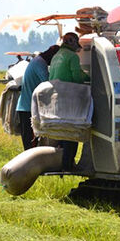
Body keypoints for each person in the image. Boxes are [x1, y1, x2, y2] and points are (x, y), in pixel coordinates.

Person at [49, 32, 90, 170]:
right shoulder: (72, 56)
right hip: (68, 97)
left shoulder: (56, 56)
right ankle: (68, 165)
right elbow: (77, 77)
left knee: (62, 131)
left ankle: (61, 163)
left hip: (55, 98)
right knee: (72, 132)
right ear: (73, 43)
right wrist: (89, 77)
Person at [16, 45, 60, 150]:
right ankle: (30, 166)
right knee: (31, 144)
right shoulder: (40, 64)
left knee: (30, 142)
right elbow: (48, 82)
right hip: (28, 108)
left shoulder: (37, 61)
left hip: (26, 106)